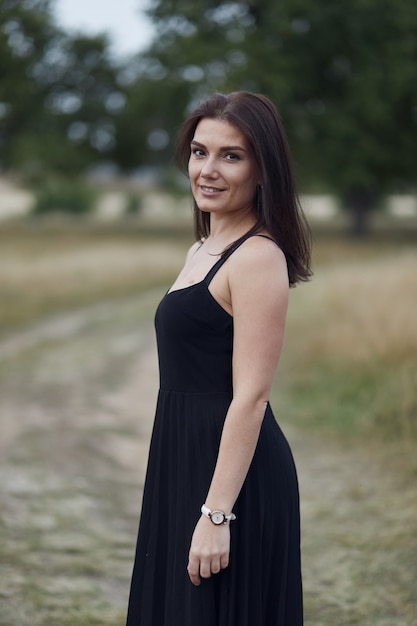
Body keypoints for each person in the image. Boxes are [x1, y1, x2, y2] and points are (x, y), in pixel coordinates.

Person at [126, 91, 312, 626]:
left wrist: (216, 515)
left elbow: (251, 395)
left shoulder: (256, 257)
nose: (207, 170)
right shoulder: (202, 247)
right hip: (182, 459)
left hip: (233, 482)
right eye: (199, 151)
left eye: (231, 155)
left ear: (262, 169)